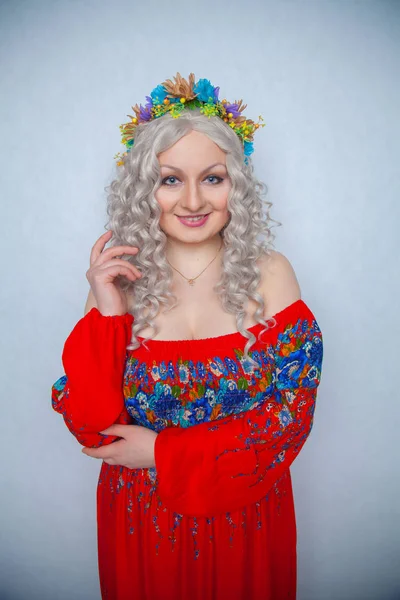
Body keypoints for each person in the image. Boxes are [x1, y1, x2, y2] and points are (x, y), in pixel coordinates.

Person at [51, 72, 324, 600]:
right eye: (170, 179)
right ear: (142, 188)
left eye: (213, 178)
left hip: (246, 512)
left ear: (236, 185)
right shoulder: (118, 284)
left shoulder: (271, 273)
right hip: (141, 520)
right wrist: (109, 311)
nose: (193, 199)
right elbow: (91, 427)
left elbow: (293, 412)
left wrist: (163, 454)